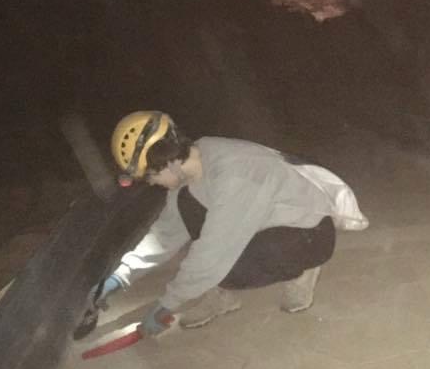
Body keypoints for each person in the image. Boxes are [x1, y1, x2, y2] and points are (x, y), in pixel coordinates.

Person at [91, 111, 366, 336]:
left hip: (309, 233)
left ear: (166, 163)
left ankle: (301, 272)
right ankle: (227, 291)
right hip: (266, 223)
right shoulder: (193, 166)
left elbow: (211, 254)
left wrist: (167, 306)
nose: (151, 183)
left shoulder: (235, 176)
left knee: (221, 263)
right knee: (194, 219)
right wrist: (120, 276)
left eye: (150, 176)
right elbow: (164, 235)